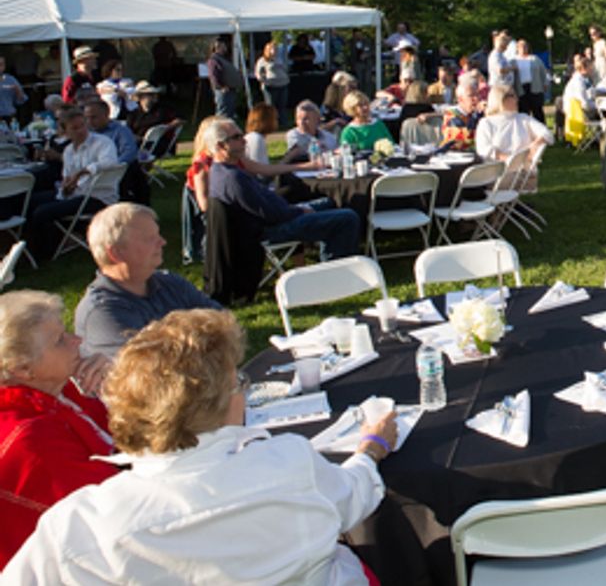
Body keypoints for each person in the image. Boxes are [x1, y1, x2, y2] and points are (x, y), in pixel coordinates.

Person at [7, 309, 395, 583]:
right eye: (237, 383)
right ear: (223, 403)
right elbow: (355, 497)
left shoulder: (80, 526)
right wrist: (372, 447)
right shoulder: (289, 463)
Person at [0, 290, 118, 567]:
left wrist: (120, 387)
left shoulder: (61, 392)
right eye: (60, 341)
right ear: (22, 369)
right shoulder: (31, 438)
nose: (77, 340)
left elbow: (125, 440)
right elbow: (116, 504)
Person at [74, 204, 221, 357]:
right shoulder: (102, 312)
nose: (162, 242)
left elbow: (224, 324)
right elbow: (152, 367)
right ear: (116, 253)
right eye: (150, 238)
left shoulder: (171, 283)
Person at [208, 120, 360, 258]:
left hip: (279, 215)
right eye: (236, 137)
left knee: (332, 202)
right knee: (347, 217)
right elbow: (268, 214)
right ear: (220, 146)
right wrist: (299, 211)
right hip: (270, 229)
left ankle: (333, 256)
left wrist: (295, 209)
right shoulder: (232, 178)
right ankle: (335, 271)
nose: (244, 140)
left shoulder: (226, 169)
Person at [25, 108, 121, 258]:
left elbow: (110, 163)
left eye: (82, 125)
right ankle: (31, 245)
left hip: (98, 195)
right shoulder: (69, 150)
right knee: (29, 201)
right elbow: (67, 178)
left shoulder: (102, 143)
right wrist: (67, 186)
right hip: (76, 193)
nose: (81, 131)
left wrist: (83, 172)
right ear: (65, 131)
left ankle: (44, 252)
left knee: (42, 212)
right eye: (75, 128)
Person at [475, 84, 554, 162]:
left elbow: (547, 134)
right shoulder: (486, 123)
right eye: (513, 96)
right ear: (501, 99)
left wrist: (535, 144)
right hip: (496, 170)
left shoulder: (523, 119)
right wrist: (509, 160)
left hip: (524, 170)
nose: (517, 99)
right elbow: (484, 150)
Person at [442, 84, 485, 151]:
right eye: (471, 96)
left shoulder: (475, 114)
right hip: (454, 155)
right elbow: (466, 138)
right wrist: (477, 115)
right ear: (460, 99)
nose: (476, 98)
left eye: (477, 95)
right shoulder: (451, 115)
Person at [515, 39, 549, 123]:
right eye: (521, 47)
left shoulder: (535, 58)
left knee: (537, 111)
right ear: (517, 48)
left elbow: (543, 72)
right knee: (523, 112)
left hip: (535, 87)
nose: (523, 48)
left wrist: (545, 83)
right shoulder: (514, 60)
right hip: (521, 89)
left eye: (525, 46)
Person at [206, 39, 241, 119]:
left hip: (230, 89)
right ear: (218, 47)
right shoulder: (214, 60)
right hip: (223, 91)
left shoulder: (223, 59)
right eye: (223, 46)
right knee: (222, 114)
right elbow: (213, 76)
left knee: (229, 113)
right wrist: (220, 87)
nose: (225, 48)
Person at [254, 41, 290, 117]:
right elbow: (258, 73)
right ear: (268, 50)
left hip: (283, 84)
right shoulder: (262, 60)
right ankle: (271, 121)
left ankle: (283, 122)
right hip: (271, 86)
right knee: (271, 106)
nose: (276, 50)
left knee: (282, 105)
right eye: (274, 49)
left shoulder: (279, 59)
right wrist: (264, 80)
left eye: (276, 49)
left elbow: (285, 69)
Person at [563, 53, 599, 120]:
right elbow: (584, 104)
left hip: (576, 111)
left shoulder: (580, 79)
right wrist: (598, 104)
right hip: (575, 114)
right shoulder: (578, 81)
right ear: (583, 68)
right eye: (590, 67)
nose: (592, 69)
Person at [244, 101, 279, 166]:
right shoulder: (257, 139)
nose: (276, 121)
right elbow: (262, 171)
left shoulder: (253, 136)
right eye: (275, 118)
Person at [0, 57, 26, 124]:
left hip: (9, 115)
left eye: (1, 64)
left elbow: (21, 100)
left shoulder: (11, 79)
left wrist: (17, 90)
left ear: (4, 66)